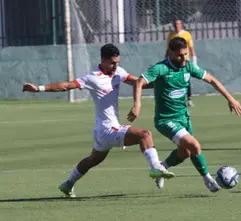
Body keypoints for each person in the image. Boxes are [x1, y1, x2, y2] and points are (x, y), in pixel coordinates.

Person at [22, 44, 175, 198]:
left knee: (92, 160)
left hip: (103, 131)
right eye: (113, 63)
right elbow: (66, 86)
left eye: (117, 63)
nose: (116, 66)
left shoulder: (118, 73)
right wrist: (39, 88)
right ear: (103, 59)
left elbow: (139, 83)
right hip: (107, 130)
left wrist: (165, 82)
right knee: (145, 135)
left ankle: (68, 184)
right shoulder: (93, 78)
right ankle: (156, 167)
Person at [127, 37, 241, 192]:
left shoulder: (188, 67)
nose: (183, 58)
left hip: (183, 117)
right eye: (180, 55)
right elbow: (140, 81)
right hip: (165, 120)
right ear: (170, 53)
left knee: (186, 152)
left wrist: (231, 99)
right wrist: (137, 105)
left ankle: (162, 167)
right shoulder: (161, 68)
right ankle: (207, 179)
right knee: (195, 145)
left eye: (185, 54)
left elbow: (212, 80)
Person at [166, 18, 197, 107]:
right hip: (173, 61)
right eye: (175, 24)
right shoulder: (171, 35)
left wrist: (194, 62)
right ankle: (174, 99)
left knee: (186, 79)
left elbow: (191, 48)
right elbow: (168, 49)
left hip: (184, 62)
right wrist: (166, 59)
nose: (177, 26)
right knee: (172, 79)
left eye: (179, 24)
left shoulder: (186, 34)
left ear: (181, 24)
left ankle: (189, 98)